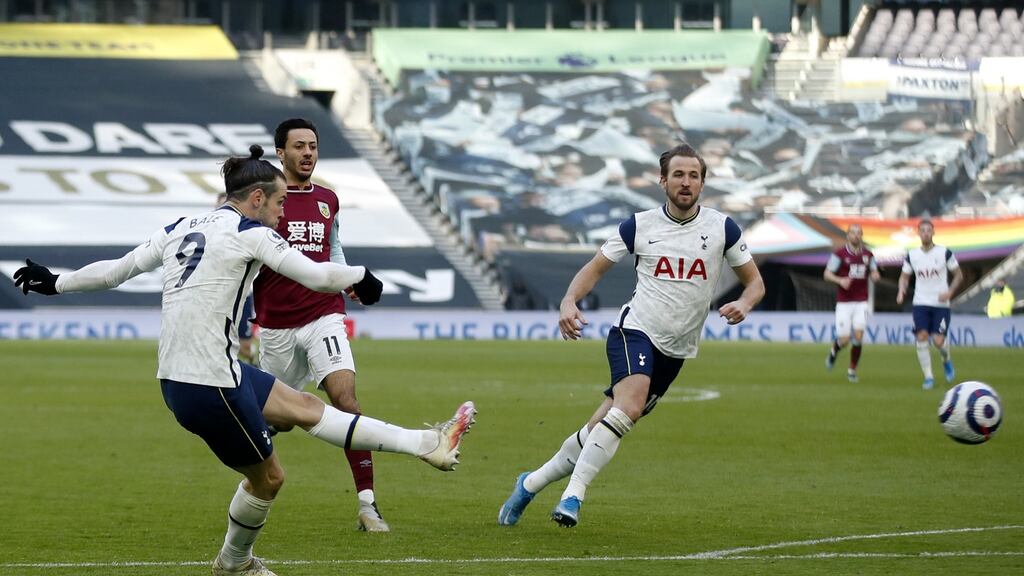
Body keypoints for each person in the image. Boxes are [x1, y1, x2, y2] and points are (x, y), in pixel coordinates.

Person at [13, 145, 476, 576]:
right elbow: (316, 275)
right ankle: (234, 563)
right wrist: (361, 275)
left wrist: (55, 283)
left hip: (192, 374)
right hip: (209, 383)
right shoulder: (250, 234)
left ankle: (427, 444)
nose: (282, 214)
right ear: (256, 198)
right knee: (270, 479)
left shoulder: (180, 227)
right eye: (278, 205)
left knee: (304, 407)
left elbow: (116, 270)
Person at [498, 143, 764, 528]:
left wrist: (746, 303)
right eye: (678, 175)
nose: (685, 182)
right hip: (634, 331)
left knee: (601, 426)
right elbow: (596, 267)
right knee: (631, 405)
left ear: (703, 183)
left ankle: (529, 483)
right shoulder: (639, 225)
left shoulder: (722, 228)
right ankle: (574, 495)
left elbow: (755, 283)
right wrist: (569, 300)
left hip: (676, 351)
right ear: (662, 181)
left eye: (693, 175)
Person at [252, 118, 387, 532]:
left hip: (323, 315)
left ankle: (367, 504)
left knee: (345, 399)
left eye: (313, 146)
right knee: (274, 419)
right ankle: (256, 488)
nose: (308, 153)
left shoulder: (328, 198)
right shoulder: (262, 200)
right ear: (281, 153)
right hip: (275, 326)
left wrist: (347, 281)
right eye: (299, 147)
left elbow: (334, 247)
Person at [897, 218, 964, 390]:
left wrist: (950, 292)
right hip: (920, 303)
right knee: (922, 337)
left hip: (941, 304)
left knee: (938, 341)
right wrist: (901, 290)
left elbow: (959, 275)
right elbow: (904, 277)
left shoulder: (944, 253)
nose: (926, 233)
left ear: (933, 232)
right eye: (923, 230)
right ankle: (928, 377)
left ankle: (946, 360)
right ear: (918, 233)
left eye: (929, 230)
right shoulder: (912, 255)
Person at [823, 223, 880, 383]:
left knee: (859, 337)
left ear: (861, 236)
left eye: (859, 233)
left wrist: (875, 276)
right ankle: (835, 349)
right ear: (848, 235)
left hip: (861, 301)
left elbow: (875, 271)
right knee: (845, 340)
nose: (856, 235)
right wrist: (840, 280)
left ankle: (852, 370)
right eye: (853, 233)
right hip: (844, 302)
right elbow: (827, 274)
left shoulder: (868, 255)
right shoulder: (840, 254)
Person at [215, 192, 257, 363]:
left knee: (244, 347)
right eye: (217, 206)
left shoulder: (243, 229)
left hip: (243, 296)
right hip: (219, 297)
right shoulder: (211, 232)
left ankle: (256, 362)